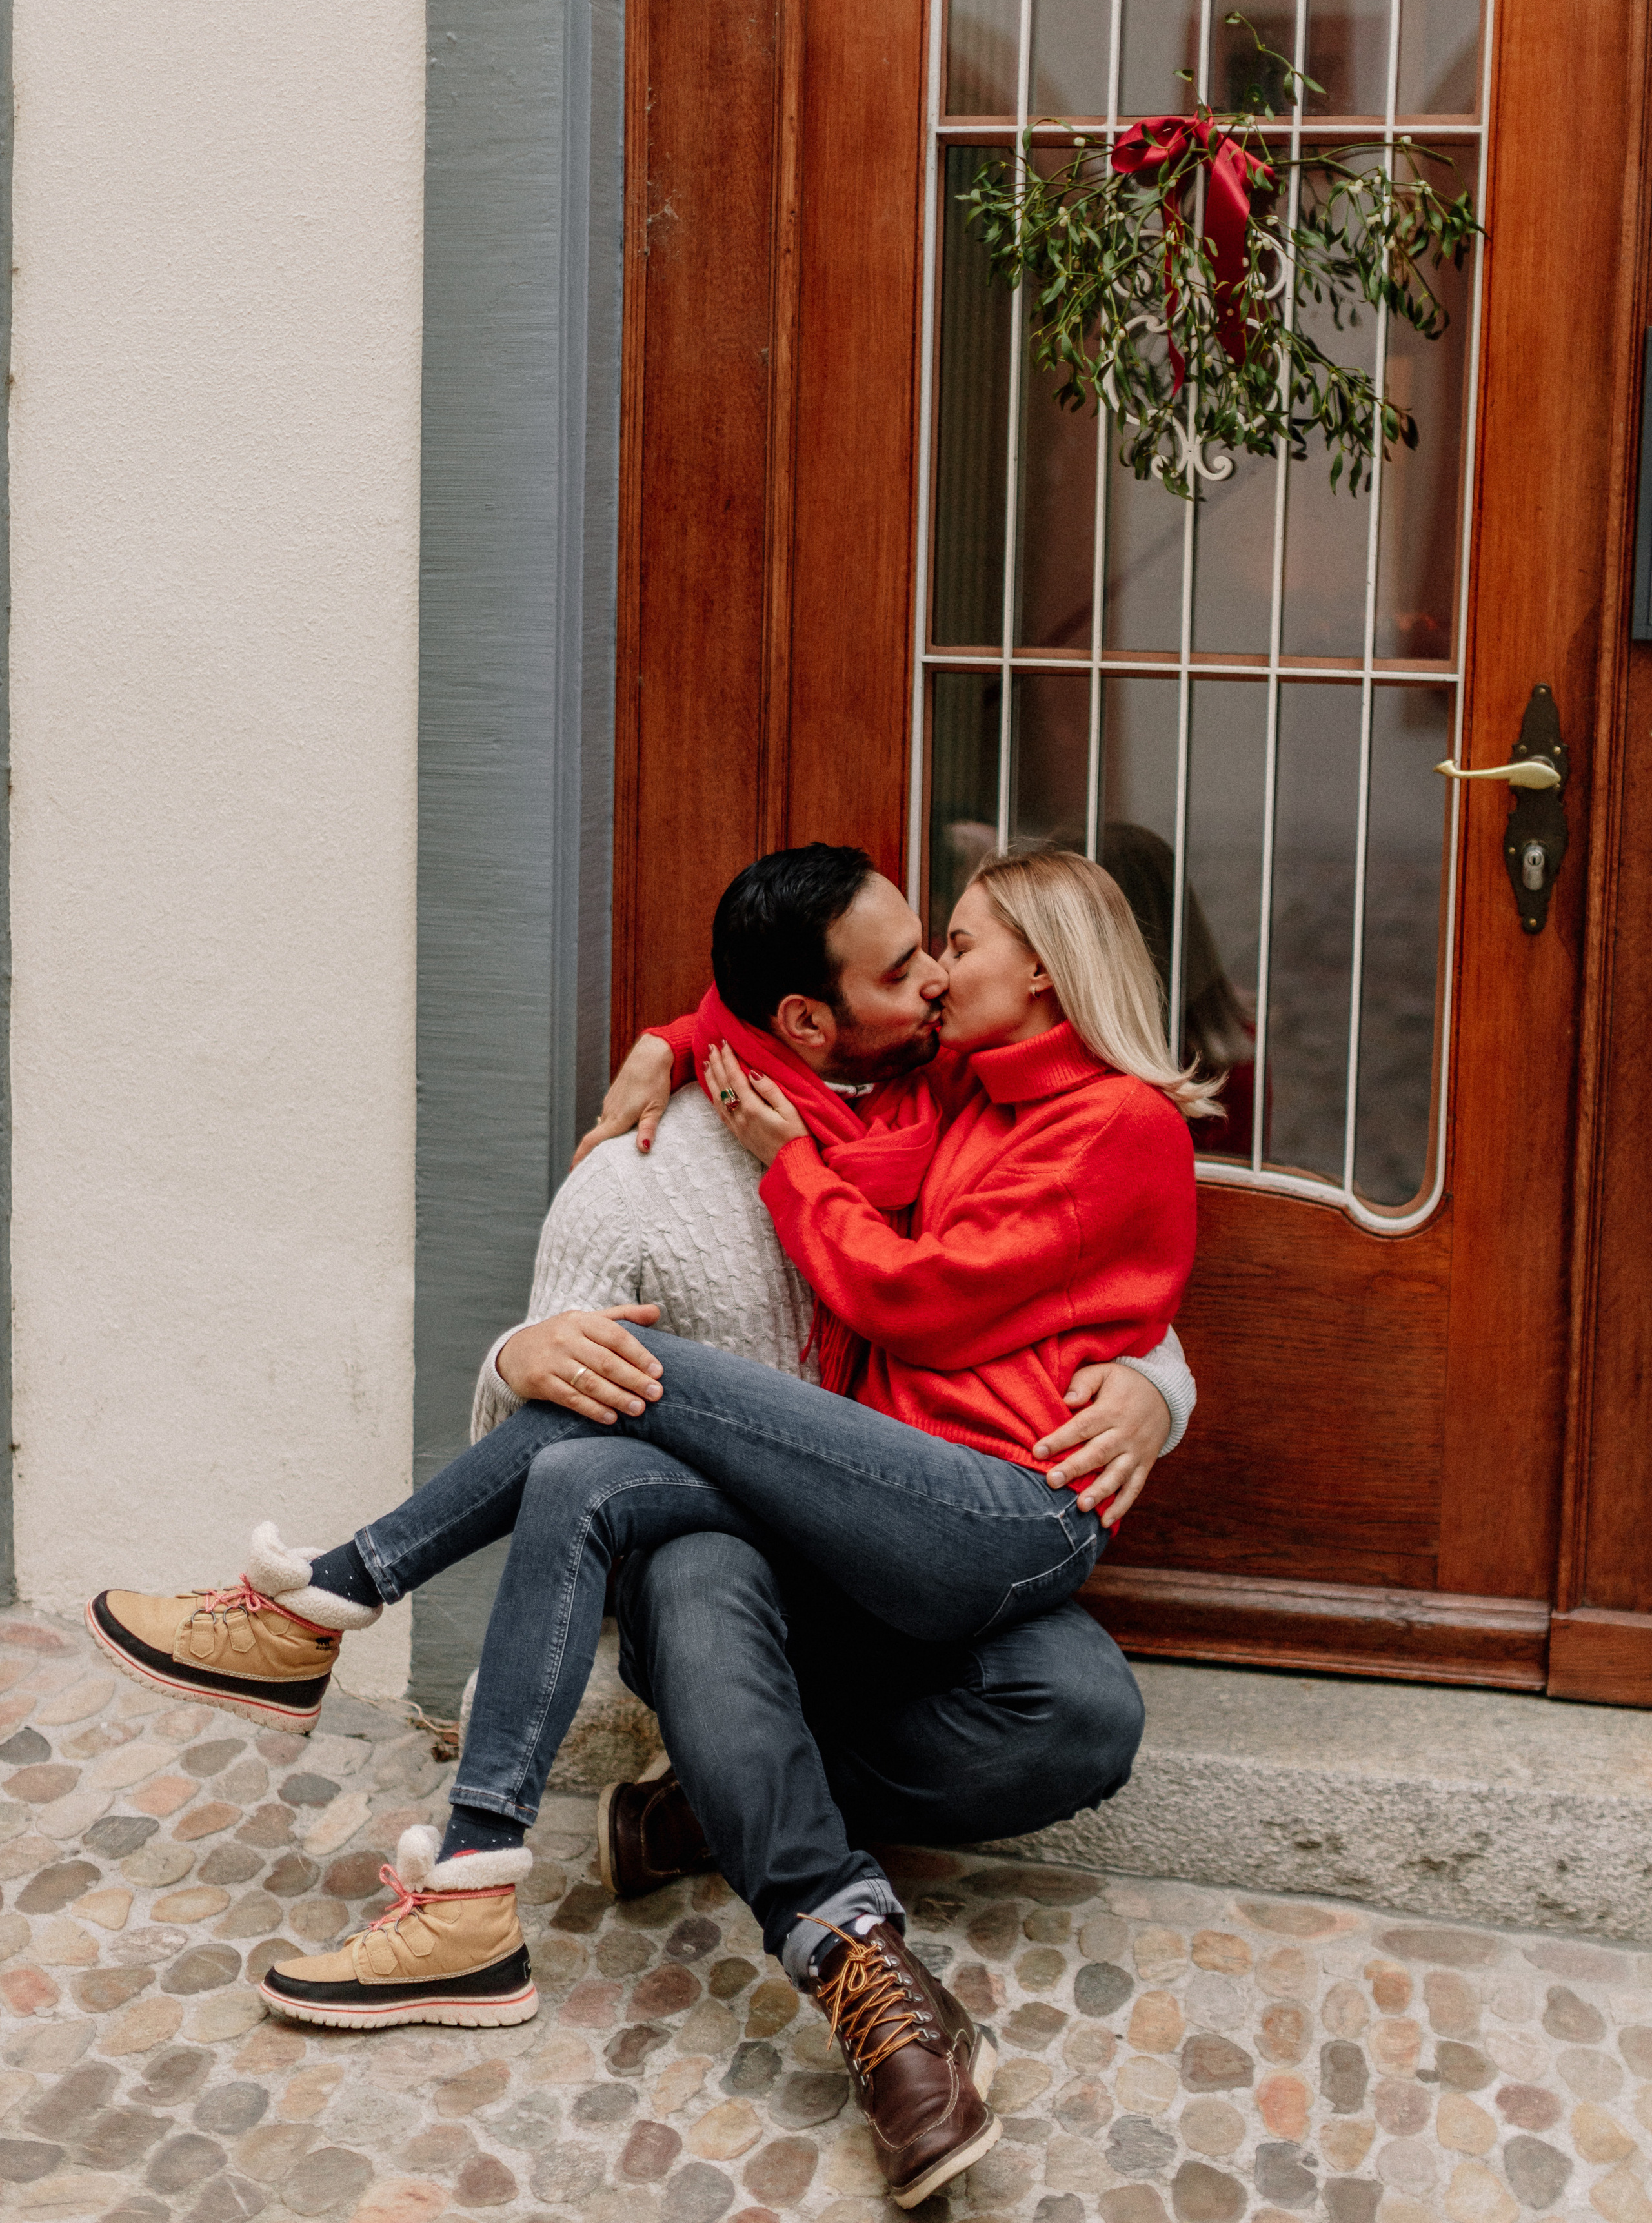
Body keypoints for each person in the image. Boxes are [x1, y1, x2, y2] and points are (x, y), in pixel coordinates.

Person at [88, 846, 1214, 2210]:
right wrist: (653, 1072)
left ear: (1036, 970)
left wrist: (1156, 1391)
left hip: (978, 1514)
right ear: (803, 1021)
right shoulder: (749, 1141)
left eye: (949, 949)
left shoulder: (1033, 1110)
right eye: (910, 964)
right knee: (582, 1469)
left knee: (1057, 1695)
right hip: (798, 1548)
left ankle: (323, 1605)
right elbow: (531, 1374)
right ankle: (496, 1895)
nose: (929, 981)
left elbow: (949, 1299)